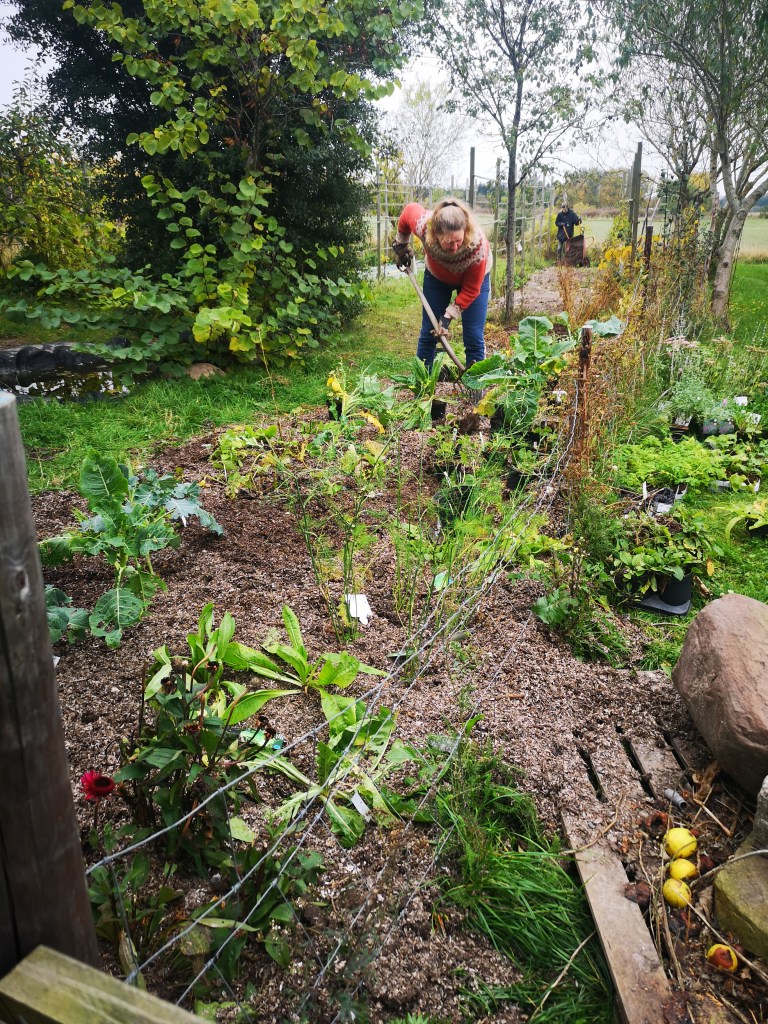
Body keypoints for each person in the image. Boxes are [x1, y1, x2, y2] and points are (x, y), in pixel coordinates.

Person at [392, 197, 491, 369]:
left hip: (473, 282)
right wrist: (401, 244)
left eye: (459, 241)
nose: (454, 248)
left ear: (466, 231)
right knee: (429, 331)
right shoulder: (424, 226)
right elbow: (408, 212)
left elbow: (471, 289)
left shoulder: (477, 247)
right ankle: (422, 386)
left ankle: (477, 389)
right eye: (448, 242)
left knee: (473, 336)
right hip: (438, 277)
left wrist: (448, 316)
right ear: (435, 234)